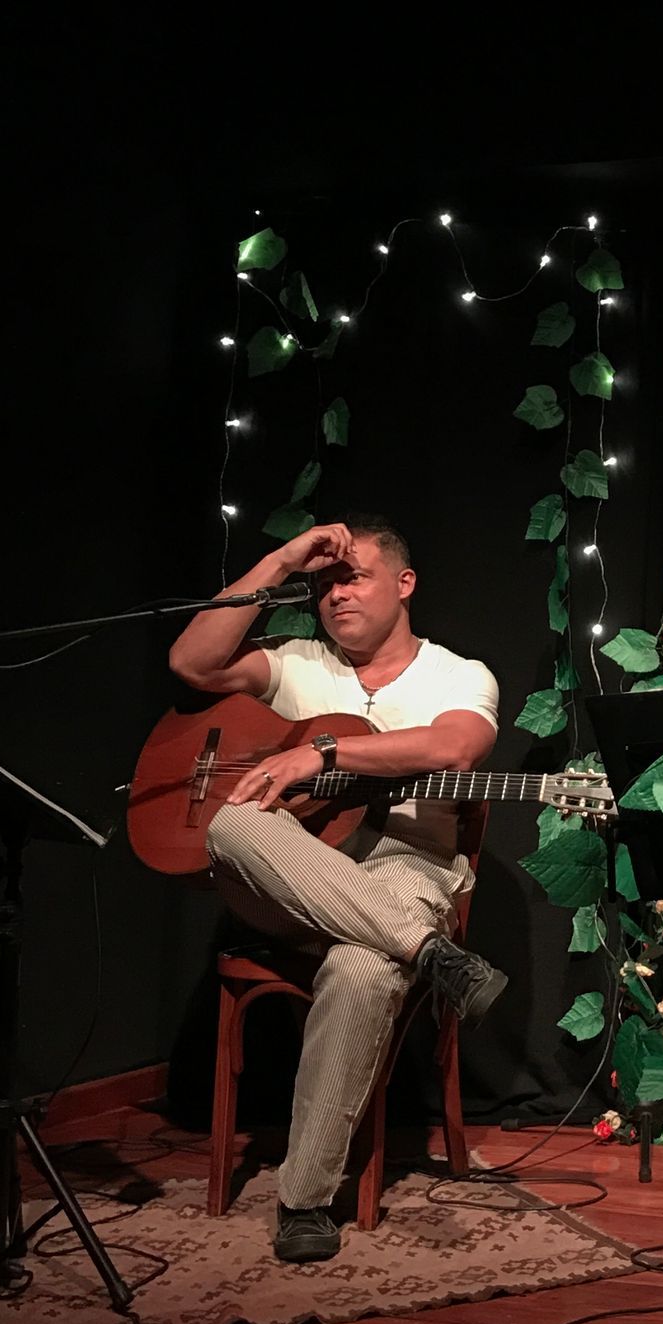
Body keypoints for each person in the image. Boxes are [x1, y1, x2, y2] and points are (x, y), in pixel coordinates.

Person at [169, 516, 508, 1264]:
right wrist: (285, 558)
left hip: (403, 863)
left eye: (351, 576)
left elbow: (454, 745)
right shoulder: (295, 661)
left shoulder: (458, 673)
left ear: (404, 584)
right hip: (291, 874)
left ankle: (305, 1201)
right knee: (232, 827)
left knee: (362, 966)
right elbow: (191, 663)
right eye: (322, 584)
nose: (333, 594)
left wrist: (320, 752)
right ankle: (430, 952)